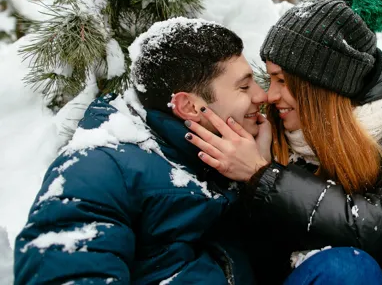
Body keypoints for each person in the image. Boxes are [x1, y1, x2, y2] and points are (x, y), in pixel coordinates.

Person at [183, 0, 382, 284]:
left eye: (282, 81)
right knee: (344, 269)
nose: (269, 96)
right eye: (270, 79)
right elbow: (252, 257)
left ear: (322, 85)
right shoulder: (266, 132)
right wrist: (257, 178)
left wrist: (265, 176)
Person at [13, 18, 269, 284]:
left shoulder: (222, 159)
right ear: (190, 107)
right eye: (244, 86)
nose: (262, 96)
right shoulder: (98, 170)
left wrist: (260, 178)